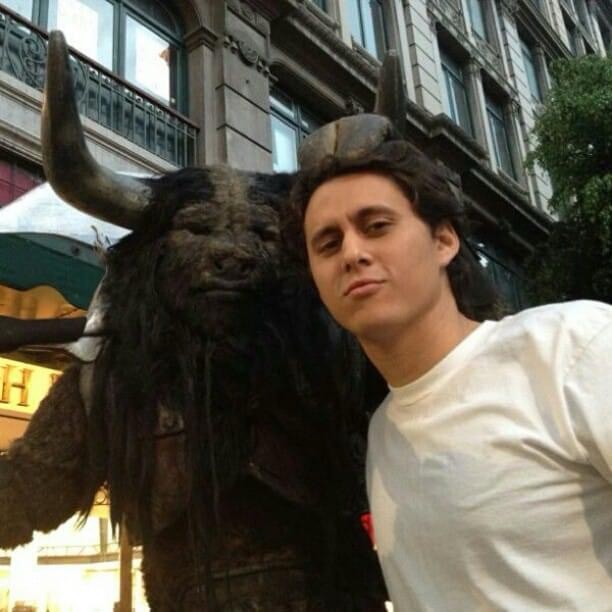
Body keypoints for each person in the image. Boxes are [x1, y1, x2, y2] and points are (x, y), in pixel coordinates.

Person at [284, 115, 612, 610]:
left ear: (444, 241)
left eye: (376, 226)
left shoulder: (570, 346)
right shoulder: (381, 436)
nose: (352, 253)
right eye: (328, 243)